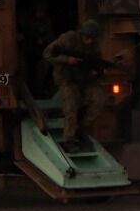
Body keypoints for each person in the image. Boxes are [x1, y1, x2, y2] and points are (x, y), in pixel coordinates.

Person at [44, 19, 107, 147]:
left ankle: (81, 128)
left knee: (99, 99)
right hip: (66, 78)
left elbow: (97, 63)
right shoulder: (68, 39)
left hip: (85, 79)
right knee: (71, 105)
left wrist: (98, 71)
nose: (90, 41)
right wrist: (67, 59)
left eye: (92, 38)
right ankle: (69, 139)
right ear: (82, 34)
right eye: (87, 37)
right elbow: (47, 54)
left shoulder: (94, 46)